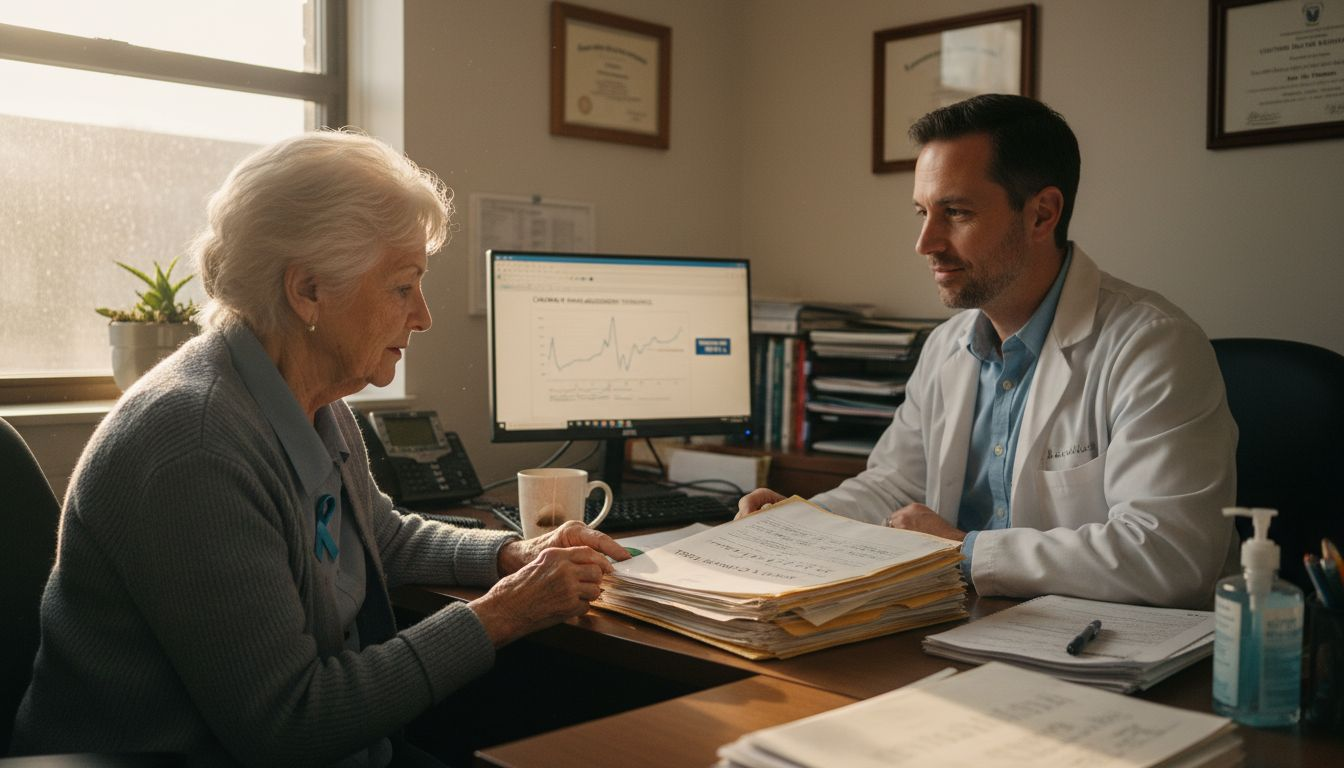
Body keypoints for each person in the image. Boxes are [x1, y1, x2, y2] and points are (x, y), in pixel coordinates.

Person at [11, 130, 630, 765]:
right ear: (307, 291)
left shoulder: (308, 399)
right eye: (402, 286)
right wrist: (502, 615)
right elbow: (291, 721)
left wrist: (511, 553)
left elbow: (380, 538)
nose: (424, 315)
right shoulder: (195, 446)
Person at [739, 95, 1237, 610]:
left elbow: (1169, 555)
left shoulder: (1153, 346)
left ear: (1042, 214)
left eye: (955, 212)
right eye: (923, 213)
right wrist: (799, 521)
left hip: (1108, 649)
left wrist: (962, 552)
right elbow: (894, 488)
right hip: (967, 625)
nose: (925, 242)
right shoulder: (946, 346)